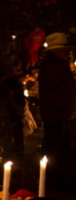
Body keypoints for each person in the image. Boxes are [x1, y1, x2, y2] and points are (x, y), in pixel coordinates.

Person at [38, 32, 75, 189]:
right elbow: (54, 93)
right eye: (63, 49)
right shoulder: (52, 68)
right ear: (55, 51)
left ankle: (56, 180)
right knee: (54, 148)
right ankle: (51, 181)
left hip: (60, 115)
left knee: (61, 148)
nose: (67, 52)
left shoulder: (58, 65)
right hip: (57, 115)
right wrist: (65, 107)